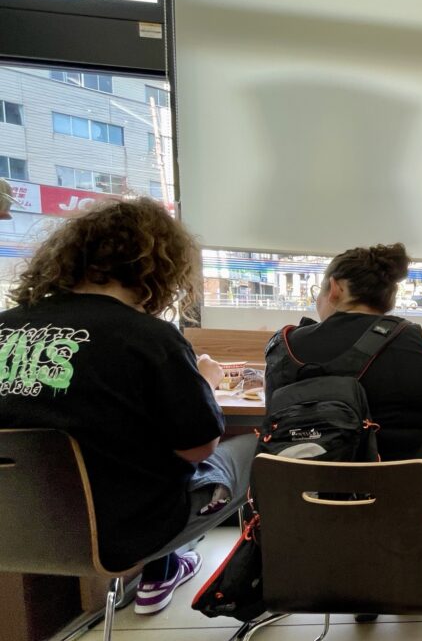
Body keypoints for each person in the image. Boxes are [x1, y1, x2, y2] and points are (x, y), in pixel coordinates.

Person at [0, 198, 253, 615]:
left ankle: (166, 569)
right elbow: (198, 448)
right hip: (121, 536)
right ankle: (246, 585)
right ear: (159, 267)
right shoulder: (147, 337)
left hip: (13, 529)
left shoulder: (5, 326)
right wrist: (205, 383)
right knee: (256, 446)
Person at [263, 242, 422, 615]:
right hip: (414, 522)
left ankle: (353, 588)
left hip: (308, 522)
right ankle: (405, 589)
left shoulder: (284, 349)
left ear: (335, 288)